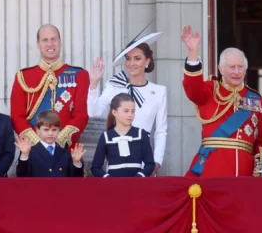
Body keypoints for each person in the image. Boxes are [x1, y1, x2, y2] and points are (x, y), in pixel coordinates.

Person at [181, 25, 262, 177]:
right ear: (220, 69)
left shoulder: (255, 98)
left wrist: (258, 168)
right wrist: (193, 53)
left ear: (245, 70)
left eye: (240, 67)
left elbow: (260, 140)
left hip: (245, 172)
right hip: (212, 169)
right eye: (231, 67)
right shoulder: (210, 90)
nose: (236, 71)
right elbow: (193, 89)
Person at [87, 32, 167, 176]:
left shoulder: (159, 91)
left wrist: (156, 161)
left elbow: (161, 130)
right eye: (128, 59)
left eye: (137, 58)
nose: (131, 63)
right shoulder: (115, 85)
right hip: (117, 157)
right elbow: (93, 112)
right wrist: (94, 83)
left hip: (144, 158)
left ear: (147, 61)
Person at [10, 24, 89, 149]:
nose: (50, 44)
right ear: (38, 44)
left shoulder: (80, 75)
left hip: (66, 151)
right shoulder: (23, 77)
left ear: (60, 42)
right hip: (33, 151)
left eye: (53, 39)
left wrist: (59, 141)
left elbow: (81, 115)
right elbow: (17, 116)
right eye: (45, 40)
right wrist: (38, 144)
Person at [91, 93, 155, 177]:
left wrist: (139, 176)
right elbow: (95, 167)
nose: (130, 115)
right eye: (126, 111)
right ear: (114, 112)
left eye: (133, 111)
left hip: (136, 186)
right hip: (114, 187)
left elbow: (150, 164)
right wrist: (108, 179)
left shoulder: (141, 134)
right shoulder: (106, 137)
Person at [15, 110, 85, 177]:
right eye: (46, 130)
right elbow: (22, 176)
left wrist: (76, 163)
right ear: (38, 130)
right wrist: (24, 156)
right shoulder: (30, 152)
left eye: (54, 130)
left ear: (59, 131)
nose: (50, 133)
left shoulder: (65, 153)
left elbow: (75, 181)